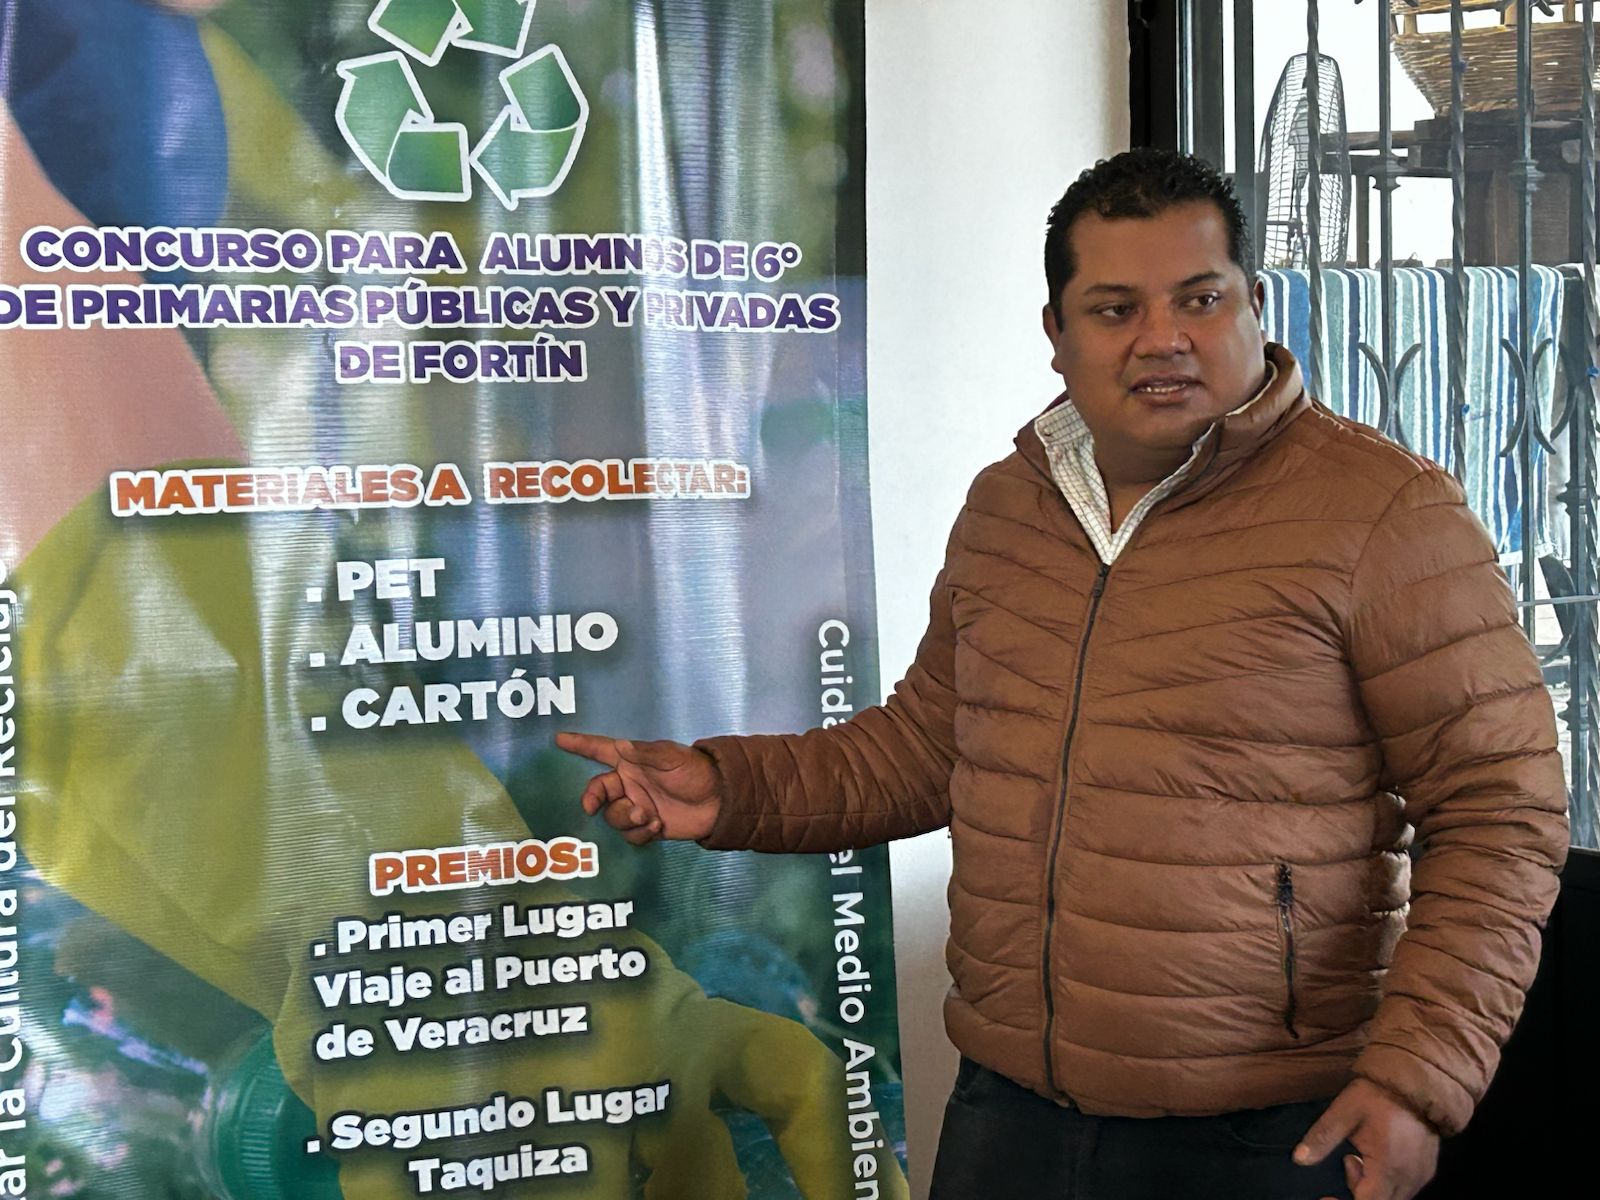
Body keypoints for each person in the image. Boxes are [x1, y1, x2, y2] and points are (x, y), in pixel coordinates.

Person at [558, 148, 1569, 1200]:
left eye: (1199, 299)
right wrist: (730, 789)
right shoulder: (1011, 506)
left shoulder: (1384, 514)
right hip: (1011, 1112)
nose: (1162, 337)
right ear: (1057, 332)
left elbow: (1499, 811)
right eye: (1115, 308)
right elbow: (928, 749)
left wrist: (1414, 1078)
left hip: (1267, 1134)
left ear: (1254, 305)